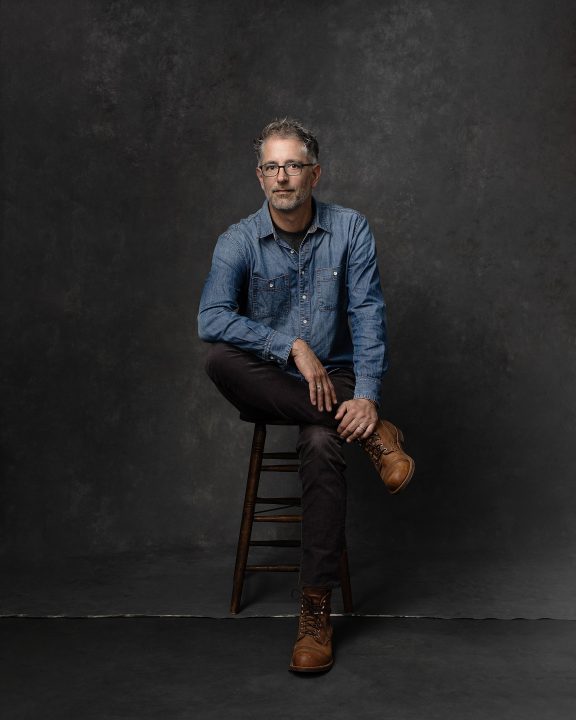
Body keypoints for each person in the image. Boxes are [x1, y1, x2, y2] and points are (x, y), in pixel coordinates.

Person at [197, 118, 415, 673]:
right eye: (271, 166)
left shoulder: (351, 229)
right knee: (218, 356)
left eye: (293, 165)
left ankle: (314, 614)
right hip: (273, 381)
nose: (282, 177)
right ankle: (374, 440)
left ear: (314, 173)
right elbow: (211, 317)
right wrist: (288, 345)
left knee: (321, 444)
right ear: (259, 177)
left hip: (338, 381)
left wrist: (365, 395)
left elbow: (368, 314)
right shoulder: (238, 240)